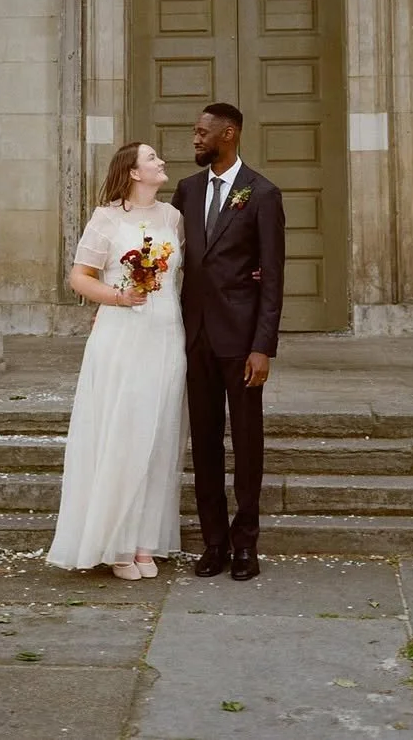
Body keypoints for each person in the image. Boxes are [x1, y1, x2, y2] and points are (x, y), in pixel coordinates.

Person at [47, 141, 186, 580]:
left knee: (160, 435)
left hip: (166, 333)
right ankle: (117, 543)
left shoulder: (173, 218)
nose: (160, 162)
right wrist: (118, 297)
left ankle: (146, 543)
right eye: (151, 158)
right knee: (124, 432)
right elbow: (79, 277)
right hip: (122, 334)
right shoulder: (106, 219)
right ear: (132, 172)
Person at [172, 102, 285, 581]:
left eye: (202, 132)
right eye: (195, 132)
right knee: (204, 444)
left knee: (246, 442)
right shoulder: (187, 190)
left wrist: (263, 346)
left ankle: (245, 544)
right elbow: (171, 261)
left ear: (229, 133)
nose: (195, 139)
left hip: (241, 343)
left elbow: (273, 277)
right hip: (193, 338)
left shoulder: (262, 194)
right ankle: (213, 541)